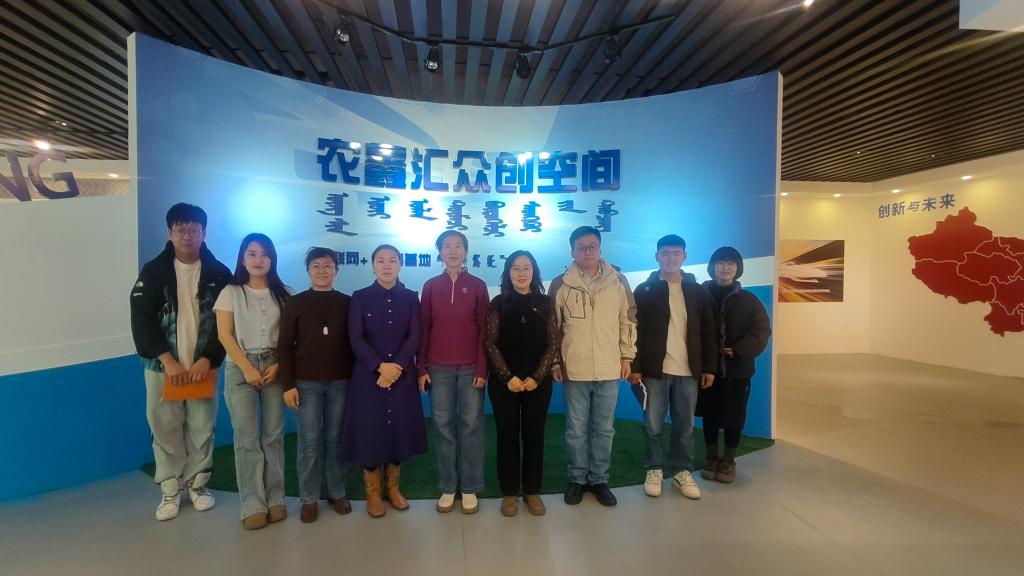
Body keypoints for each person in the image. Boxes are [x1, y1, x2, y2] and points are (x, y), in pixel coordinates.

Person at [129, 203, 231, 521]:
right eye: (180, 229)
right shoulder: (152, 272)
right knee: (165, 426)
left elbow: (227, 323)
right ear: (170, 232)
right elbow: (141, 320)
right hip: (163, 368)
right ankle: (171, 489)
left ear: (204, 233)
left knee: (202, 426)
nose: (187, 236)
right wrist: (167, 360)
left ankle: (198, 485)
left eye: (193, 229)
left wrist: (209, 358)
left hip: (203, 367)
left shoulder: (219, 273)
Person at [550, 226, 637, 507]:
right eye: (581, 247)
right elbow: (553, 329)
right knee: (576, 429)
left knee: (604, 429)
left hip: (610, 367)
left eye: (592, 246)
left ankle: (599, 479)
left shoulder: (618, 280)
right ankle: (577, 479)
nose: (587, 252)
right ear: (572, 251)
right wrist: (555, 361)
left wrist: (627, 357)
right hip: (575, 369)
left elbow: (628, 321)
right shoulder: (561, 284)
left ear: (600, 248)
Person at [630, 234, 718, 500]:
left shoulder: (698, 292)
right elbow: (635, 332)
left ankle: (682, 472)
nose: (671, 258)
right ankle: (654, 469)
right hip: (654, 372)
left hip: (688, 372)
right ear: (657, 256)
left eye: (676, 253)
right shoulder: (644, 290)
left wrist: (709, 368)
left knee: (684, 427)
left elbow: (709, 332)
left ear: (685, 256)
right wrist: (635, 366)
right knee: (653, 425)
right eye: (665, 253)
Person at [343, 245, 427, 518]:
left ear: (400, 265)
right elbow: (356, 338)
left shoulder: (411, 298)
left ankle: (393, 488)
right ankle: (373, 493)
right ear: (373, 266)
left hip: (401, 376)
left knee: (399, 431)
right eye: (381, 261)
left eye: (392, 260)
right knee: (370, 432)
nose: (387, 265)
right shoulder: (360, 297)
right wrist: (380, 367)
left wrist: (396, 367)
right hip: (369, 377)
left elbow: (415, 336)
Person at [215, 233, 290, 530]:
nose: (259, 260)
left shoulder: (285, 293)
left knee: (273, 436)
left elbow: (291, 338)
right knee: (246, 439)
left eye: (265, 254)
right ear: (243, 258)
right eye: (252, 254)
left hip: (274, 366)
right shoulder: (230, 293)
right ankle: (253, 504)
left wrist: (279, 366)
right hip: (240, 366)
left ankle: (276, 498)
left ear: (272, 259)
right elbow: (224, 335)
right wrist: (246, 368)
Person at [278, 247, 356, 523]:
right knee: (309, 441)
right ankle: (309, 498)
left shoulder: (348, 303)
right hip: (305, 383)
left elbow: (356, 344)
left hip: (340, 382)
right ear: (308, 271)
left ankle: (337, 492)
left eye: (327, 266)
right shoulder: (295, 303)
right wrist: (288, 385)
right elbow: (284, 346)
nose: (322, 270)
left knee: (336, 440)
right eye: (316, 266)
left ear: (337, 270)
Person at [417, 230, 489, 514]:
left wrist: (482, 367)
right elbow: (424, 329)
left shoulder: (478, 285)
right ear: (440, 253)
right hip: (438, 368)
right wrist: (421, 367)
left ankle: (470, 487)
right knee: (443, 427)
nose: (453, 251)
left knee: (471, 427)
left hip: (471, 368)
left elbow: (485, 331)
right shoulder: (430, 286)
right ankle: (448, 486)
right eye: (447, 246)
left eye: (458, 246)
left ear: (466, 252)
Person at [485, 250, 560, 517]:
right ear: (508, 273)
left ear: (534, 271)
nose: (521, 273)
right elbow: (490, 343)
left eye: (526, 268)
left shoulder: (545, 303)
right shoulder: (498, 303)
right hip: (504, 384)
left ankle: (532, 491)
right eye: (515, 268)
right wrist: (508, 377)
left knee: (534, 436)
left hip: (537, 383)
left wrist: (537, 377)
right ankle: (509, 493)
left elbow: (553, 342)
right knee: (507, 437)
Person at [699, 246, 771, 484]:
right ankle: (712, 457)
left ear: (738, 268)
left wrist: (739, 350)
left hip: (737, 371)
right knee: (709, 414)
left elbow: (761, 331)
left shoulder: (749, 300)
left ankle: (729, 461)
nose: (725, 268)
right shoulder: (700, 295)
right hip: (707, 370)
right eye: (720, 263)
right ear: (712, 266)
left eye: (731, 263)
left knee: (735, 416)